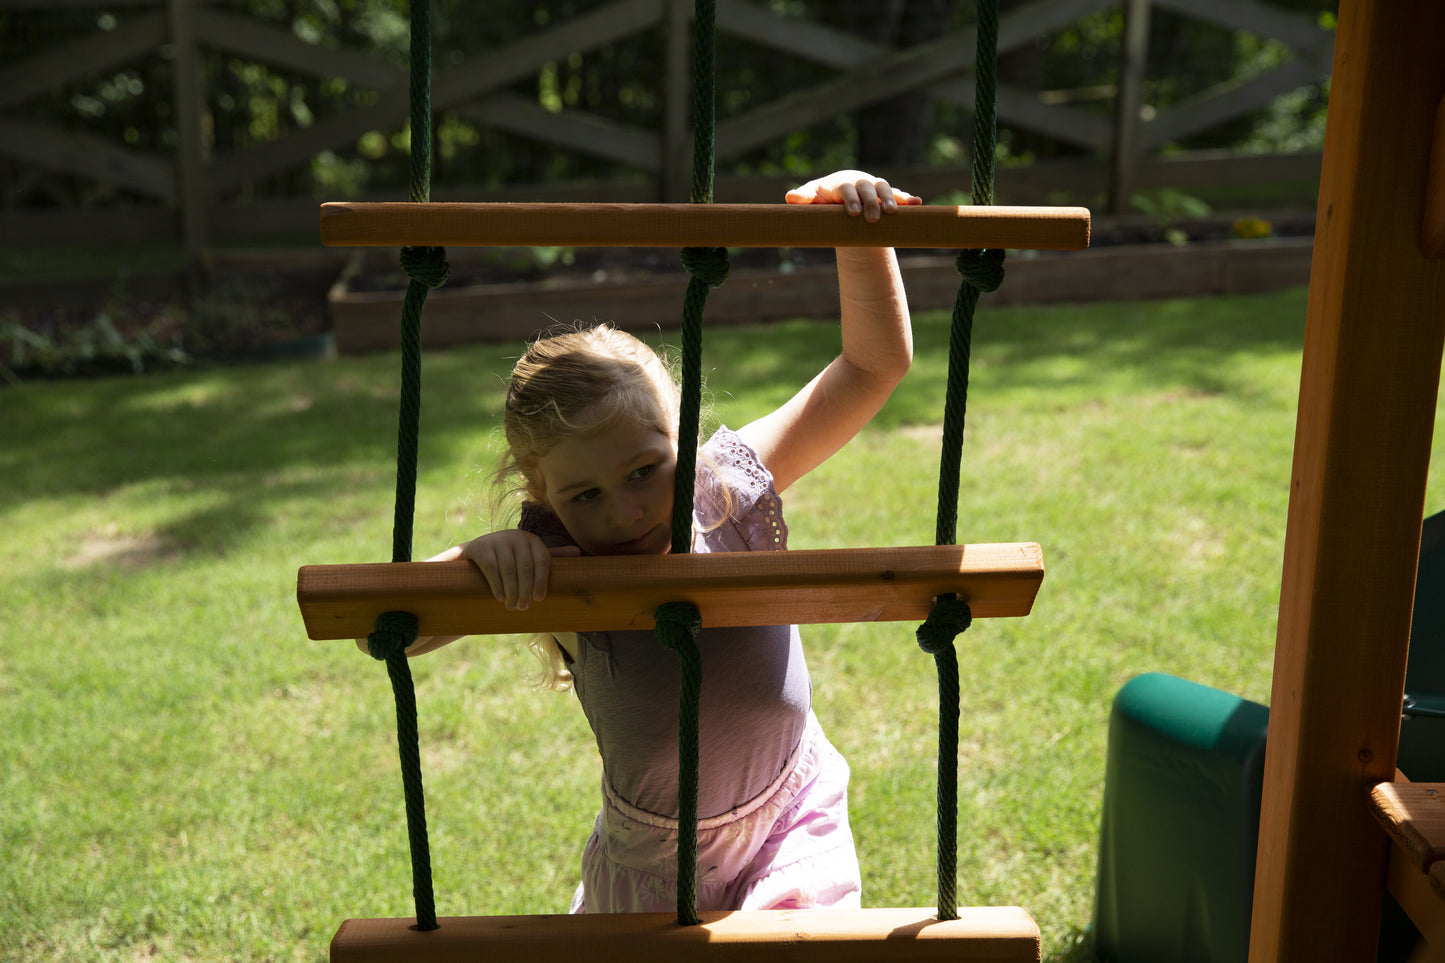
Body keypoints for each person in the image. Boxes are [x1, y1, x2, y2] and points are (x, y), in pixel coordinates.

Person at [380, 170, 919, 914]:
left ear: (681, 438)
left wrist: (858, 234)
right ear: (544, 499)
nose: (624, 509)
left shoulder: (719, 489)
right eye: (584, 495)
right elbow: (390, 630)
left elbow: (870, 368)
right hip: (653, 858)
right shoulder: (557, 567)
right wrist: (477, 558)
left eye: (643, 470)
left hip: (793, 811)